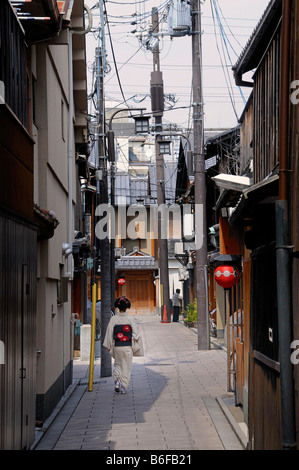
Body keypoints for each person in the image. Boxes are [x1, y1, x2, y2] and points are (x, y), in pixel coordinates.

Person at [103, 296, 142, 394]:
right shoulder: (130, 318)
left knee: (118, 364)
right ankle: (123, 387)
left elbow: (109, 333)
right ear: (127, 307)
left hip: (117, 346)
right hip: (127, 345)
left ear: (118, 307)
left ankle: (117, 381)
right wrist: (130, 338)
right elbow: (136, 333)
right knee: (126, 366)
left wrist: (109, 345)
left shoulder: (113, 319)